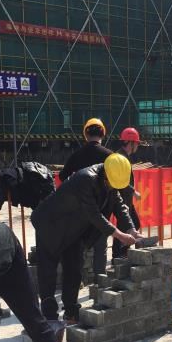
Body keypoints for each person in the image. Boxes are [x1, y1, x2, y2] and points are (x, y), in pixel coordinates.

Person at [32, 154, 140, 332]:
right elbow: (94, 215)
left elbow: (119, 205)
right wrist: (120, 235)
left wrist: (131, 229)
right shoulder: (85, 179)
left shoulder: (111, 180)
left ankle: (71, 312)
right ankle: (49, 318)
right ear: (105, 173)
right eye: (112, 184)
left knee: (74, 270)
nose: (113, 188)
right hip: (51, 225)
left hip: (74, 229)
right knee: (48, 273)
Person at [59, 118, 114, 280]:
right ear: (102, 134)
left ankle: (79, 280)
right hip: (102, 208)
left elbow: (62, 176)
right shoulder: (110, 156)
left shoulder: (76, 155)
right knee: (100, 246)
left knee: (80, 248)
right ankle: (100, 281)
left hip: (80, 208)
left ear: (86, 134)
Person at [112, 127, 143, 260]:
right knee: (126, 225)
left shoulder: (123, 156)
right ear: (131, 143)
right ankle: (119, 255)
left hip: (126, 199)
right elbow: (120, 180)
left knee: (132, 223)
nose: (137, 146)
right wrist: (133, 191)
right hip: (121, 199)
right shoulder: (120, 157)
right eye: (136, 143)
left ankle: (122, 253)